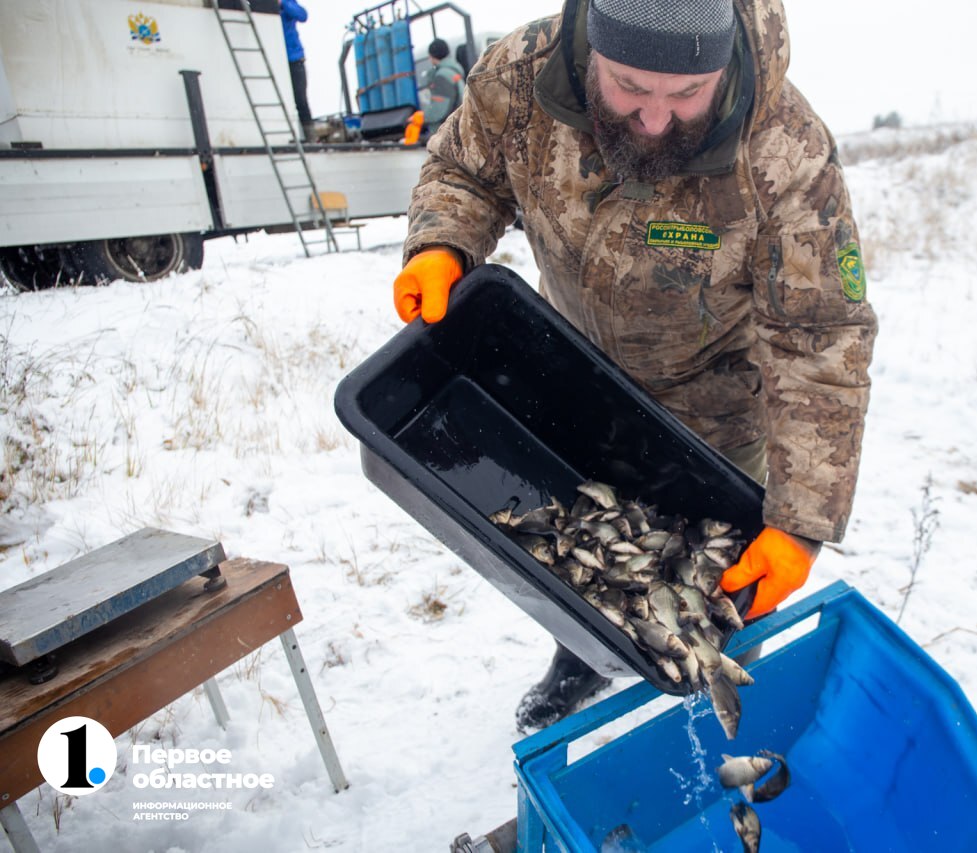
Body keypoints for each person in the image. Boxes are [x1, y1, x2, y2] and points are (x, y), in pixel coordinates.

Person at [393, 0, 877, 731]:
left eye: (686, 95)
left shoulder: (784, 154)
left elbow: (821, 335)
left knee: (708, 585)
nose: (655, 120)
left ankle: (711, 706)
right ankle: (578, 655)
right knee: (581, 552)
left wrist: (801, 519)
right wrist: (443, 241)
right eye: (628, 87)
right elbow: (464, 168)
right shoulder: (522, 76)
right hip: (575, 376)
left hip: (715, 415)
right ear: (591, 49)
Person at [416, 38, 466, 132]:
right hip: (459, 124)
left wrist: (422, 117)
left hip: (448, 131)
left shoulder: (442, 76)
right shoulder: (454, 71)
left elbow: (439, 109)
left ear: (432, 56)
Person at [280, 0, 313, 141]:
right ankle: (292, 134)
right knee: (285, 100)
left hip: (294, 60)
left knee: (300, 99)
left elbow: (303, 15)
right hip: (278, 60)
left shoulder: (286, 3)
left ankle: (310, 138)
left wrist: (282, 3)